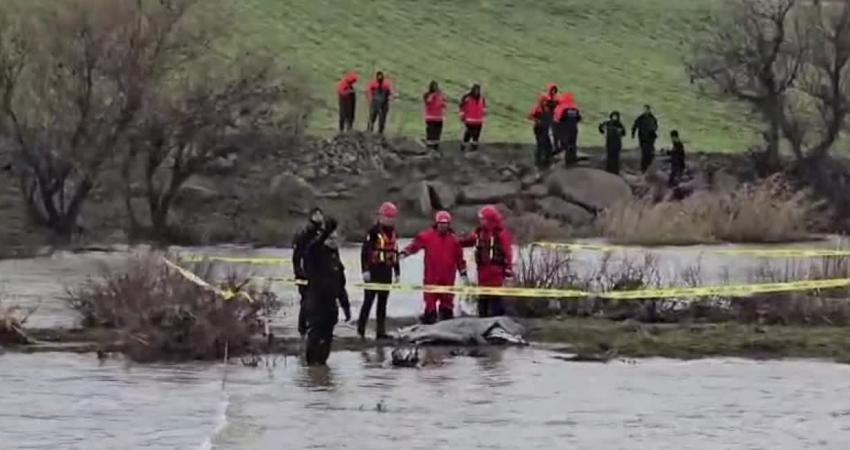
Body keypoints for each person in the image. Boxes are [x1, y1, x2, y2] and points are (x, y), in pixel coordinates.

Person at [401, 211, 469, 324]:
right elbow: (415, 245)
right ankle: (429, 321)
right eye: (440, 223)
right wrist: (404, 253)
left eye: (445, 223)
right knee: (430, 306)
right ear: (436, 223)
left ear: (449, 224)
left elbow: (460, 259)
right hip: (431, 278)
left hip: (447, 280)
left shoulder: (454, 240)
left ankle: (446, 327)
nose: (443, 226)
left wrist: (463, 273)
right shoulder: (427, 236)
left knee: (447, 308)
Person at [303, 217, 352, 366]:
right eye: (331, 238)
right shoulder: (315, 251)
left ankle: (322, 373)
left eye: (336, 238)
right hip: (316, 302)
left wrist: (346, 306)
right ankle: (311, 368)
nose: (333, 240)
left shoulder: (335, 256)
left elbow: (341, 284)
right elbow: (313, 247)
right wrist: (326, 231)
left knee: (327, 340)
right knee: (315, 336)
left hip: (331, 305)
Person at [460, 205, 514, 317]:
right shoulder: (479, 233)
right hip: (482, 271)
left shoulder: (501, 233)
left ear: (489, 219)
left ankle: (498, 322)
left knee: (495, 301)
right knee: (482, 301)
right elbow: (468, 241)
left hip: (496, 271)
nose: (480, 221)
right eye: (480, 219)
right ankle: (483, 321)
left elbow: (507, 252)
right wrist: (455, 241)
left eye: (483, 219)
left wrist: (508, 271)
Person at [357, 202, 400, 340]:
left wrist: (397, 271)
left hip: (386, 271)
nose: (390, 220)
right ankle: (361, 330)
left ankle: (380, 332)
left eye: (392, 217)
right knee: (368, 301)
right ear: (381, 216)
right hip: (373, 270)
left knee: (383, 303)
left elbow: (394, 252)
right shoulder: (373, 232)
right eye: (387, 217)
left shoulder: (393, 232)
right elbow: (364, 252)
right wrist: (365, 270)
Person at [292, 207, 326, 336]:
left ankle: (315, 326)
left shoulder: (322, 233)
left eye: (320, 214)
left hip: (319, 272)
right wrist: (298, 272)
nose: (318, 216)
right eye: (315, 214)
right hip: (305, 271)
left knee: (319, 300)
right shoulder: (304, 233)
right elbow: (296, 256)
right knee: (306, 300)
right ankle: (302, 327)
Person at [528, 84, 560, 169]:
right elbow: (530, 115)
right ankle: (539, 164)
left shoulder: (552, 108)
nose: (549, 106)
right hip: (540, 128)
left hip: (546, 127)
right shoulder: (539, 108)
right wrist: (537, 121)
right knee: (541, 145)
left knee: (548, 145)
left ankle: (545, 162)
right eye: (547, 104)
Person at [554, 92, 582, 166]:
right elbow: (579, 118)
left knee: (566, 144)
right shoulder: (575, 109)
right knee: (573, 143)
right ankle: (573, 158)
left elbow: (560, 119)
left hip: (566, 129)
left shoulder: (565, 110)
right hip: (574, 129)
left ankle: (567, 160)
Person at [632, 104, 659, 172]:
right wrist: (633, 134)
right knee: (644, 153)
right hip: (643, 138)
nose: (646, 111)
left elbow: (656, 127)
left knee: (650, 152)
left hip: (650, 138)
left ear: (649, 110)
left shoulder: (652, 118)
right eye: (644, 109)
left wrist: (652, 130)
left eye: (647, 109)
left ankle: (648, 167)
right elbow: (635, 125)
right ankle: (644, 168)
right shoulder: (640, 118)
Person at [459, 84, 487, 152]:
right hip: (469, 120)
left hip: (479, 121)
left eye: (478, 90)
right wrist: (462, 116)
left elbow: (484, 107)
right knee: (468, 134)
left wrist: (483, 115)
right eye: (475, 90)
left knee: (476, 135)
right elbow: (461, 107)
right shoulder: (467, 97)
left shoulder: (481, 98)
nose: (476, 92)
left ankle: (474, 148)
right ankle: (463, 146)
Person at [423, 81, 446, 151]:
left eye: (436, 86)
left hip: (439, 118)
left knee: (437, 134)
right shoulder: (427, 94)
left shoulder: (440, 95)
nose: (435, 88)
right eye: (434, 86)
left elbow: (444, 104)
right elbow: (428, 101)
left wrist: (442, 100)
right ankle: (429, 149)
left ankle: (436, 148)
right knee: (430, 134)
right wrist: (433, 95)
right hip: (431, 118)